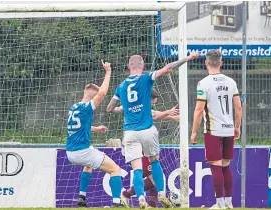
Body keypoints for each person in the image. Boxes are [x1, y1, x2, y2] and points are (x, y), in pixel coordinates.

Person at [106, 52, 198, 209]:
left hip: (130, 133)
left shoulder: (121, 87)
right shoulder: (146, 78)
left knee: (137, 170)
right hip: (147, 130)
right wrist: (188, 58)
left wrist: (122, 109)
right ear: (142, 65)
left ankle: (141, 198)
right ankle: (162, 193)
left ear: (128, 67)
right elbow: (168, 68)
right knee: (154, 161)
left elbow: (109, 108)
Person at [65, 61, 126, 208]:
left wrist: (96, 129)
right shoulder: (87, 107)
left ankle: (82, 197)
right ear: (93, 95)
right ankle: (117, 203)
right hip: (82, 151)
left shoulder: (74, 108)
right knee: (115, 169)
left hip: (70, 152)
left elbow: (79, 127)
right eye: (96, 96)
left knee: (88, 165)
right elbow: (103, 93)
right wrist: (108, 71)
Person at [190, 50, 242, 209]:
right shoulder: (231, 82)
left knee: (216, 165)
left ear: (206, 63)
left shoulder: (204, 83)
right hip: (228, 129)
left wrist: (193, 131)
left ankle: (219, 204)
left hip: (213, 130)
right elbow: (238, 107)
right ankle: (229, 203)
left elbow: (199, 110)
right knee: (225, 165)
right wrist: (237, 127)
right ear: (221, 62)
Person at [113, 89, 179, 207]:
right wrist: (170, 112)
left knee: (152, 176)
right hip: (135, 146)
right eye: (152, 102)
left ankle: (151, 203)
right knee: (154, 177)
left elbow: (153, 113)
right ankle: (126, 195)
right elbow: (155, 115)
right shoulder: (141, 106)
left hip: (137, 145)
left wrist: (171, 116)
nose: (153, 105)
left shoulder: (134, 105)